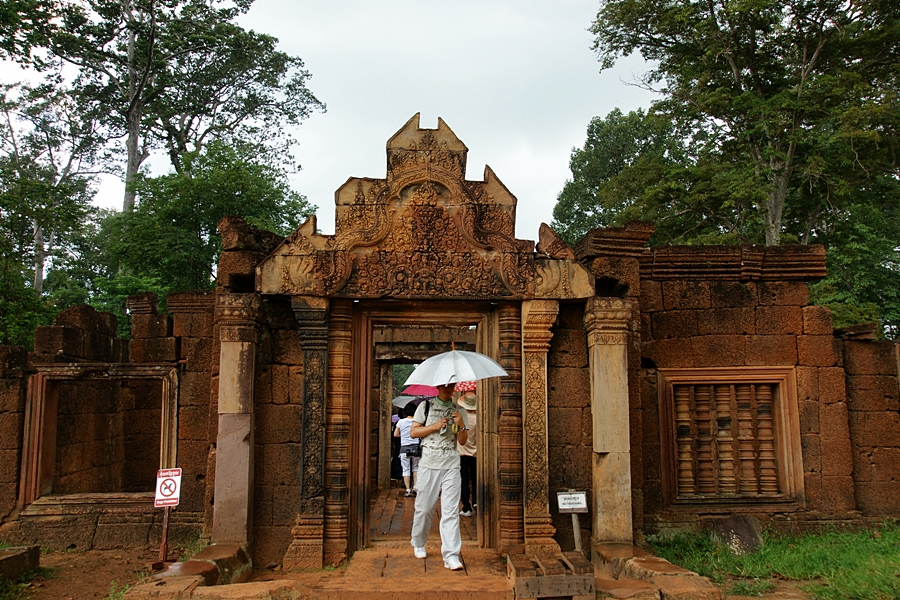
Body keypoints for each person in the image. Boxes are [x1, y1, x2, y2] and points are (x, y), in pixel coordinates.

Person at [409, 382, 469, 570]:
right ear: (437, 387)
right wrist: (434, 426)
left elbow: (463, 441)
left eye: (451, 386)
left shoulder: (460, 410)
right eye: (444, 386)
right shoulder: (425, 407)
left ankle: (451, 555)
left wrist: (461, 425)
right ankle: (418, 541)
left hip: (451, 463)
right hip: (429, 463)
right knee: (425, 508)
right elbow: (413, 432)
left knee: (450, 511)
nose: (448, 389)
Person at [455, 386, 477, 517]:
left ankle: (466, 507)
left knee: (463, 480)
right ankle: (475, 501)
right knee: (475, 479)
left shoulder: (461, 418)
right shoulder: (480, 418)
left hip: (461, 452)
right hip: (476, 453)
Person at [393, 404, 419, 497]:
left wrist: (403, 436)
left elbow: (395, 434)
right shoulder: (418, 421)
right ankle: (415, 487)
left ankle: (408, 489)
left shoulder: (401, 422)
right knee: (416, 468)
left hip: (404, 448)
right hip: (416, 447)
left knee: (406, 469)